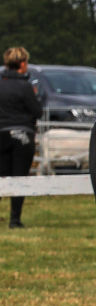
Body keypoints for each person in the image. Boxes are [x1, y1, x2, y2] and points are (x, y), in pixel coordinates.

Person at [0, 46, 41, 228]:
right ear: (22, 64)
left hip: (1, 134)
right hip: (22, 135)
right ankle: (14, 219)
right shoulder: (25, 87)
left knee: (1, 176)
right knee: (19, 177)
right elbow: (37, 111)